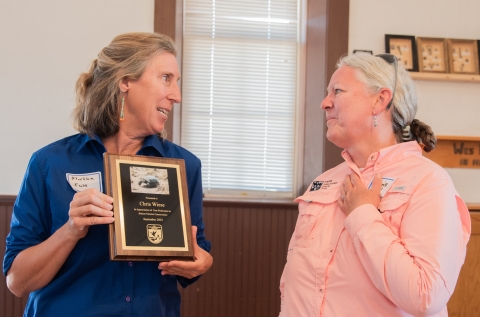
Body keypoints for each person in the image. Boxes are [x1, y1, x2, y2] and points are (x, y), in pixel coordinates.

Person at [3, 32, 212, 317]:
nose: (176, 95)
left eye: (177, 82)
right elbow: (18, 281)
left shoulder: (185, 167)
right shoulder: (48, 163)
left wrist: (200, 262)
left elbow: (195, 257)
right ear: (125, 81)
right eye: (166, 78)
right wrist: (70, 230)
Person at [279, 53, 471, 317]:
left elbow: (426, 295)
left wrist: (363, 215)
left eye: (337, 91)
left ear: (380, 100)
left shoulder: (429, 182)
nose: (325, 103)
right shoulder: (323, 182)